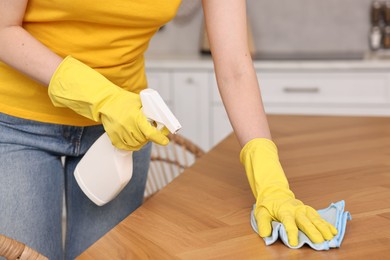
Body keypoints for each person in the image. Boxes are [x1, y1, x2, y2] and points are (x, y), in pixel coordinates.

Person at [0, 0, 338, 259]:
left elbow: (235, 65)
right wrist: (101, 97)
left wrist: (271, 181)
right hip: (16, 122)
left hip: (121, 131)